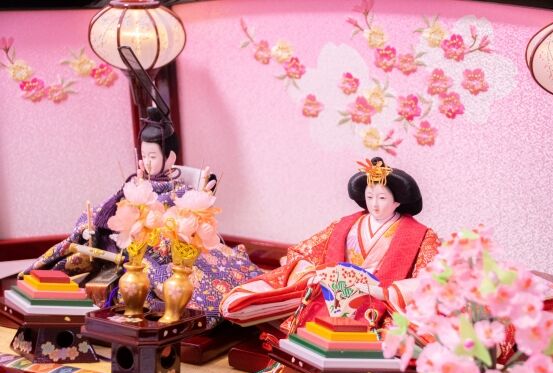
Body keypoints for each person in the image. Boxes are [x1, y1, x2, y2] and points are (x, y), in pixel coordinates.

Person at [22, 107, 262, 328]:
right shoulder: (135, 183)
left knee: (206, 268)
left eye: (153, 156)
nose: (147, 162)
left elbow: (182, 219)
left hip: (166, 248)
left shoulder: (179, 190)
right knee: (95, 258)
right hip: (133, 247)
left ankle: (228, 306)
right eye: (144, 156)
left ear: (170, 158)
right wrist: (88, 227)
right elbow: (106, 209)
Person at [220, 157, 441, 330]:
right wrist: (315, 275)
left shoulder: (421, 236)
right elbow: (305, 252)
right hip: (336, 297)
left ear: (397, 201)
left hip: (380, 301)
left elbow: (432, 280)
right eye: (370, 197)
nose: (374, 204)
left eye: (382, 198)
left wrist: (384, 292)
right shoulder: (345, 225)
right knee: (288, 315)